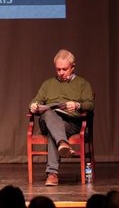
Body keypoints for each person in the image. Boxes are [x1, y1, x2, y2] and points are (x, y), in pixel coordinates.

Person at [29, 49, 94, 186]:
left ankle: (52, 174)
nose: (61, 73)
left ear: (73, 67)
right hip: (48, 121)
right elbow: (35, 101)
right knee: (48, 113)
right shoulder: (48, 84)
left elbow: (90, 104)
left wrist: (77, 105)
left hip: (71, 123)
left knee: (55, 133)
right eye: (58, 69)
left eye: (64, 69)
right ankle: (63, 144)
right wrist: (33, 106)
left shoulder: (83, 84)